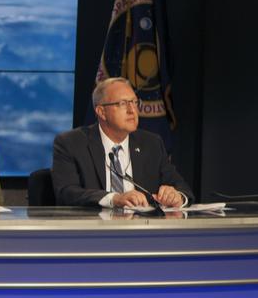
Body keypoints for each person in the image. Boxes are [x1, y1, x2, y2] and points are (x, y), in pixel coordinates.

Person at [52, 77, 194, 209]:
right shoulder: (71, 143)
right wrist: (114, 199)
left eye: (134, 102)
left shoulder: (151, 144)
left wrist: (177, 196)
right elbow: (67, 193)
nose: (132, 110)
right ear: (101, 112)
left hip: (142, 230)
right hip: (92, 230)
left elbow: (182, 187)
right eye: (122, 104)